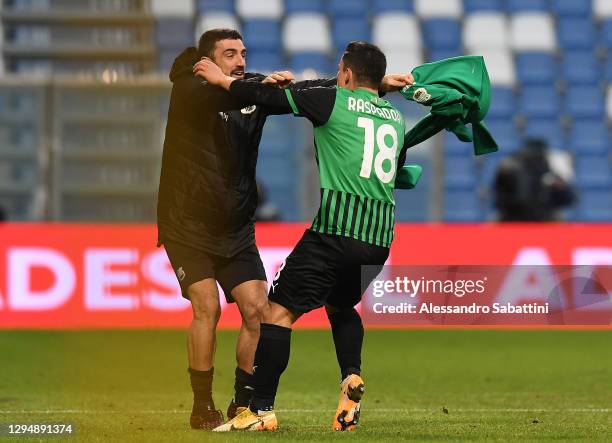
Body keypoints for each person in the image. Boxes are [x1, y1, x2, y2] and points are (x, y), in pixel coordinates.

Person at [158, 29, 406, 430]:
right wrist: (255, 84)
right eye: (229, 54)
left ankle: (244, 405)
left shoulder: (250, 89)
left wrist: (369, 86)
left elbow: (310, 96)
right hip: (188, 223)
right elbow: (244, 94)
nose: (240, 61)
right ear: (206, 61)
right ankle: (201, 405)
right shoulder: (191, 88)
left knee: (259, 312)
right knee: (208, 307)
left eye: (243, 53)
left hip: (236, 226)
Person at [493, 138, 576, 221]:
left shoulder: (552, 168)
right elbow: (499, 201)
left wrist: (559, 186)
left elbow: (569, 199)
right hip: (513, 218)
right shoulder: (509, 168)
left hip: (545, 219)